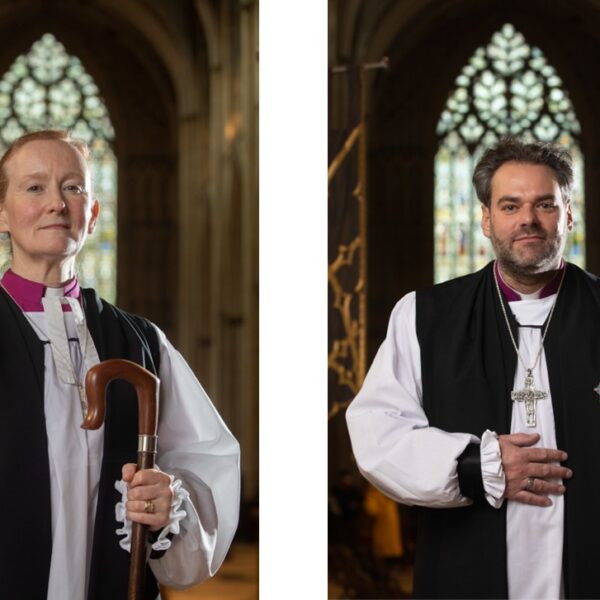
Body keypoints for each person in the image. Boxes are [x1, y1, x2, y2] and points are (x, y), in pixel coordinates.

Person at [346, 137, 600, 599]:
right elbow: (377, 436)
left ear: (568, 214)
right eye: (510, 205)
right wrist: (473, 467)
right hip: (464, 570)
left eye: (545, 204)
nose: (528, 219)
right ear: (485, 219)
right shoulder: (425, 316)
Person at [0, 129, 240, 600]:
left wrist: (170, 499)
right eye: (34, 187)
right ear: (2, 212)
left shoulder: (141, 342)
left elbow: (207, 461)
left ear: (91, 215)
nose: (56, 203)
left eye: (73, 188)